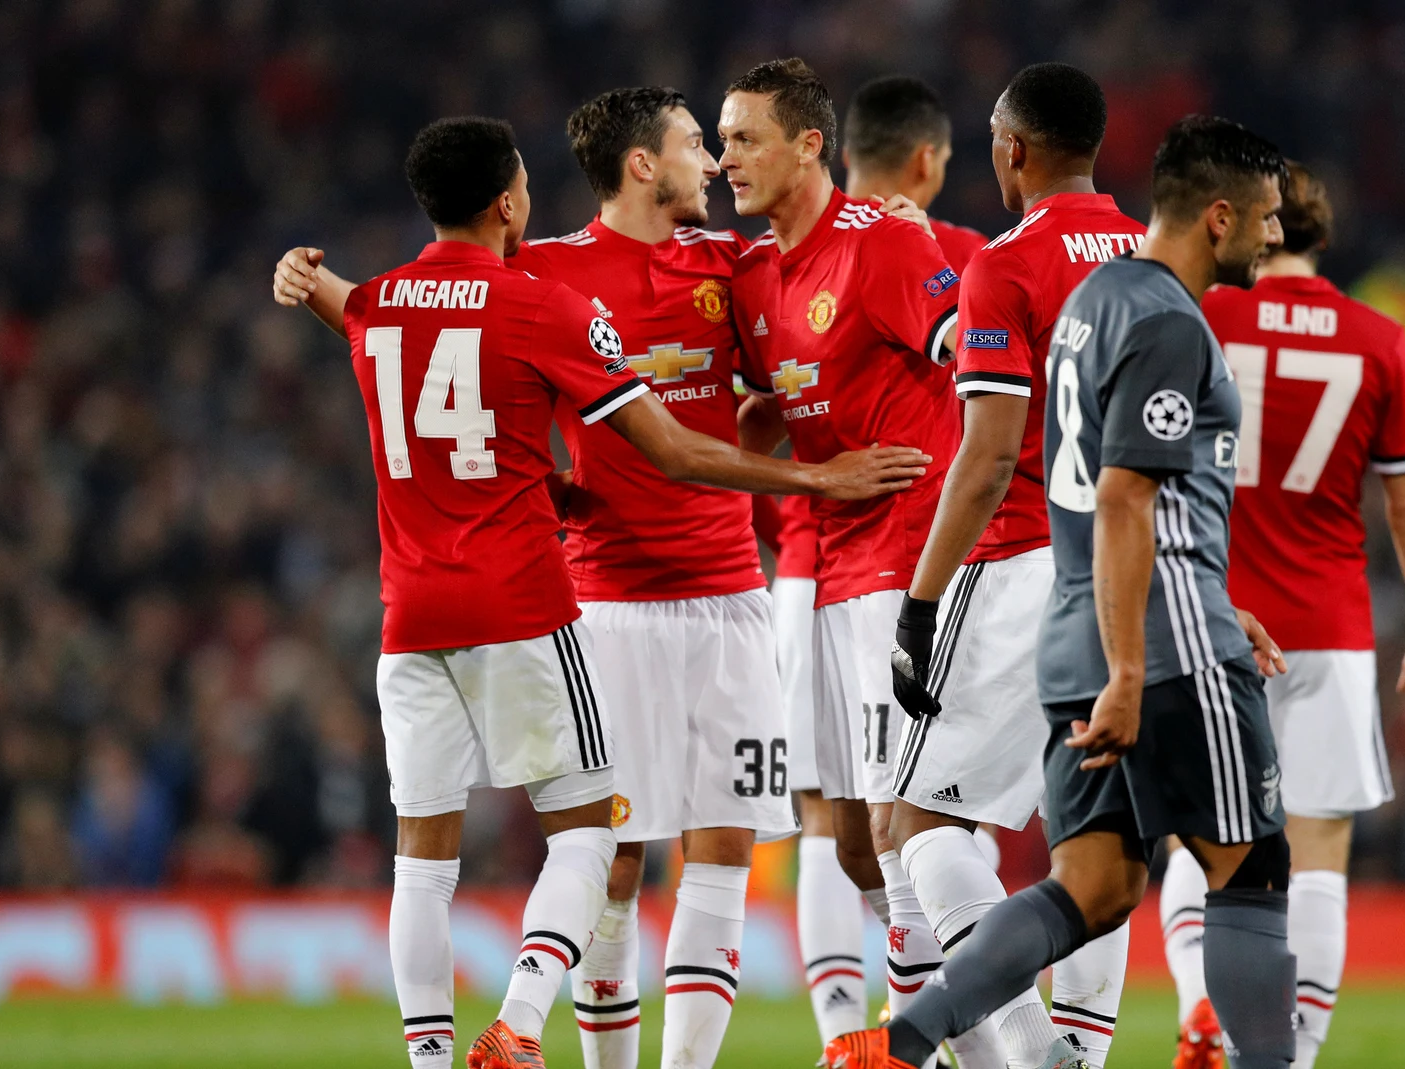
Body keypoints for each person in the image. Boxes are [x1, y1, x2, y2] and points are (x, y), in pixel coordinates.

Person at [289, 115, 928, 1069]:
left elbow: (811, 309)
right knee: (615, 860)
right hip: (607, 598)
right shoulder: (542, 275)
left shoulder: (731, 265)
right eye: (691, 141)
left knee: (723, 847)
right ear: (641, 164)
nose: (712, 160)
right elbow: (447, 329)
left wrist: (881, 220)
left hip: (730, 599)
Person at [823, 115, 1296, 1069]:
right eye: (1268, 218)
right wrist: (1163, 633)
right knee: (1252, 871)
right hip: (1152, 627)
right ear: (1216, 217)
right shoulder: (1165, 315)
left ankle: (911, 1039)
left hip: (1076, 609)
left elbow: (1080, 474)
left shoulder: (1087, 303)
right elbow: (1127, 492)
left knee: (1095, 880)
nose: (1278, 237)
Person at [1162, 161, 1405, 1069]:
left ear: (1257, 229)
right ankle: (1293, 1053)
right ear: (1323, 237)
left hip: (1210, 612)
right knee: (1320, 848)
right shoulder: (1378, 337)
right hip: (1328, 626)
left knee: (1197, 831)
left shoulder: (1202, 314)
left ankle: (1197, 1009)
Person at [886, 62, 1147, 1069]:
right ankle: (1077, 1048)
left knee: (923, 820)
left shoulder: (1009, 259)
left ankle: (1031, 1055)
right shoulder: (1156, 257)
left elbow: (990, 454)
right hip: (1143, 573)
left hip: (1024, 567)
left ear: (1015, 149)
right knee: (1105, 839)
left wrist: (920, 597)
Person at [718, 57, 962, 1050]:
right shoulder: (752, 276)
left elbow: (978, 352)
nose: (727, 157)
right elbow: (772, 410)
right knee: (848, 830)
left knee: (906, 825)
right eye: (721, 138)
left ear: (809, 145)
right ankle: (911, 1010)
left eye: (744, 138)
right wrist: (766, 423)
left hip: (903, 563)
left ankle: (923, 1034)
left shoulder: (883, 246)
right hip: (819, 568)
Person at [782, 70, 987, 1053]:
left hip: (798, 566)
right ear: (929, 157)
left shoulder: (780, 258)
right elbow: (999, 369)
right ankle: (929, 1026)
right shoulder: (947, 251)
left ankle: (854, 1028)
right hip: (906, 562)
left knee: (833, 814)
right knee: (922, 809)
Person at [841, 75, 987, 269]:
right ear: (925, 161)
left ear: (846, 157)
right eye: (943, 160)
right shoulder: (966, 254)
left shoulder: (799, 239)